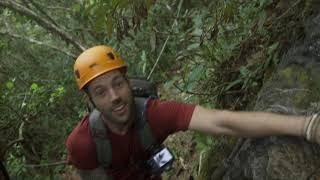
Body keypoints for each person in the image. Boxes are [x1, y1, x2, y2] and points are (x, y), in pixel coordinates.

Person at [66, 45, 320, 180]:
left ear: (128, 81)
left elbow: (223, 122)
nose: (115, 97)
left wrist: (307, 126)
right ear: (89, 99)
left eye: (118, 84)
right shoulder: (84, 143)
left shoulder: (155, 115)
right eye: (100, 92)